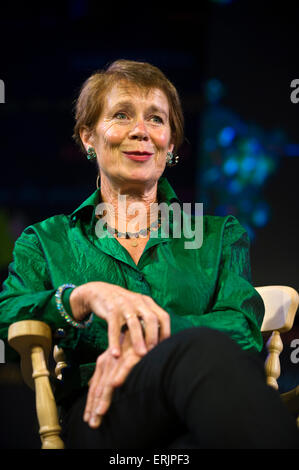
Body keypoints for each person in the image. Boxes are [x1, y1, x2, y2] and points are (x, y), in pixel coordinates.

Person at [0, 60, 298, 449]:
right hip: (103, 415)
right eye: (121, 115)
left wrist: (147, 336)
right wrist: (81, 297)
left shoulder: (218, 236)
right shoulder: (47, 239)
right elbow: (9, 313)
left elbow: (242, 330)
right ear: (88, 137)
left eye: (156, 119)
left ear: (170, 144)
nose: (140, 131)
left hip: (200, 417)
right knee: (206, 351)